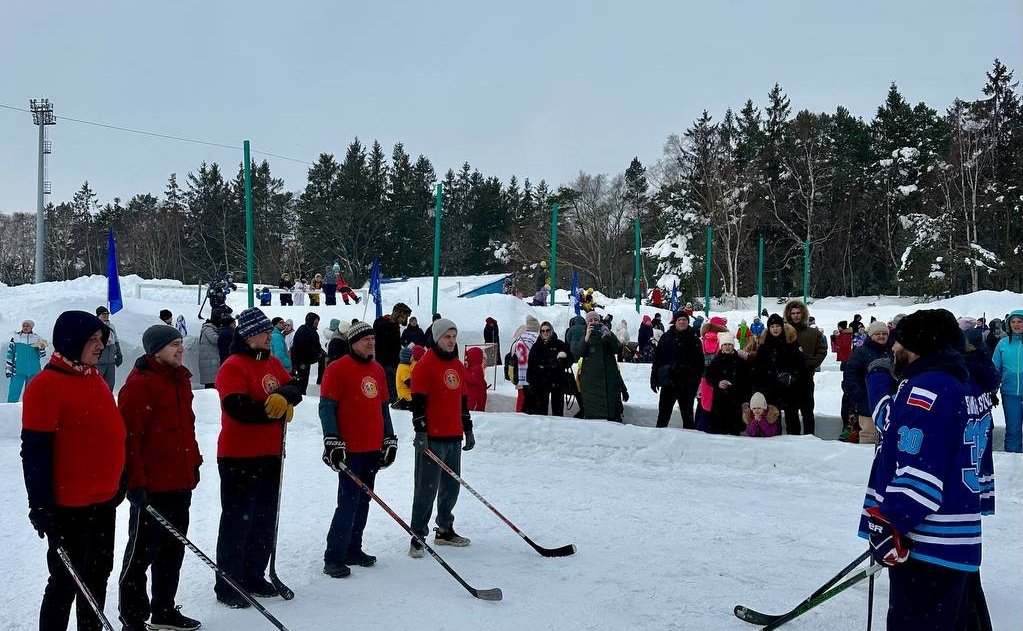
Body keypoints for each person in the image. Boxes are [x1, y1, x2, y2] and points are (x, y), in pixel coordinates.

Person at [858, 309, 980, 630]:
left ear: (914, 345)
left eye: (897, 341)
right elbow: (900, 428)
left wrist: (891, 521)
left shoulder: (926, 390)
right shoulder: (954, 384)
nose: (892, 349)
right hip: (956, 541)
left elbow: (919, 469)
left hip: (929, 541)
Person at [22, 310, 126, 631]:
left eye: (101, 340)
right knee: (66, 582)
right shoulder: (46, 385)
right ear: (71, 341)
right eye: (92, 340)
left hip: (103, 500)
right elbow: (35, 452)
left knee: (97, 577)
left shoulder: (92, 377)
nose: (99, 346)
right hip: (69, 506)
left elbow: (108, 435)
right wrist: (40, 504)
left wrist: (120, 479)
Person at [214, 308, 302, 608]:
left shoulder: (272, 362)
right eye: (265, 332)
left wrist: (286, 397)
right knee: (237, 519)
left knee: (264, 517)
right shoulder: (232, 366)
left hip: (270, 453)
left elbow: (294, 384)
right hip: (239, 455)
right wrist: (271, 410)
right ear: (250, 335)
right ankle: (229, 583)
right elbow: (237, 407)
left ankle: (254, 574)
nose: (270, 336)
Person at [117, 325, 202, 631]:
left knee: (172, 550)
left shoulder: (180, 380)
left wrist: (194, 462)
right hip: (151, 487)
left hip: (180, 481)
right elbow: (129, 439)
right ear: (156, 350)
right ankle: (133, 618)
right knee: (141, 554)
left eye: (180, 343)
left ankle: (164, 610)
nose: (180, 349)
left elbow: (186, 429)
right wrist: (135, 483)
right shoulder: (139, 385)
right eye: (173, 345)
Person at [318, 321, 396, 578]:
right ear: (353, 342)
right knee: (348, 502)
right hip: (349, 448)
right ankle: (334, 556)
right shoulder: (337, 369)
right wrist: (331, 439)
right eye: (366, 340)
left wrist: (389, 438)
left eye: (373, 339)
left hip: (372, 447)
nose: (371, 343)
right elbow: (327, 406)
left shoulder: (376, 369)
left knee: (364, 500)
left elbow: (383, 406)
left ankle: (354, 547)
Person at [408, 319, 475, 558]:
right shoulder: (425, 365)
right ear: (437, 338)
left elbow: (463, 402)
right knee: (426, 489)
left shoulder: (457, 366)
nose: (451, 341)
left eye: (454, 336)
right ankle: (417, 535)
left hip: (453, 436)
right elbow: (418, 403)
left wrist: (468, 429)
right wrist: (421, 432)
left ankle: (445, 529)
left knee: (451, 487)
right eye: (447, 336)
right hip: (432, 438)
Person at [751, 314, 805, 435]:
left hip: (789, 388)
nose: (775, 329)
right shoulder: (764, 346)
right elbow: (758, 368)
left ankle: (795, 440)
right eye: (772, 326)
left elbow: (800, 365)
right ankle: (775, 441)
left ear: (782, 327)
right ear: (769, 328)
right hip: (770, 388)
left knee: (792, 417)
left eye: (777, 326)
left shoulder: (791, 344)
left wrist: (791, 376)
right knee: (773, 418)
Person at [572, 310, 628, 422]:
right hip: (591, 383)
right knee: (594, 417)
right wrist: (586, 338)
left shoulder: (607, 333)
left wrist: (609, 335)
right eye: (590, 320)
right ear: (587, 323)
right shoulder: (584, 335)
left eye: (596, 320)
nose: (593, 322)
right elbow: (577, 353)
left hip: (608, 380)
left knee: (612, 414)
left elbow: (617, 349)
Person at [650, 312, 704, 428]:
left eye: (685, 319)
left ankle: (689, 442)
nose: (682, 322)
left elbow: (700, 364)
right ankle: (658, 440)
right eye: (679, 320)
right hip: (668, 383)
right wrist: (654, 377)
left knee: (688, 417)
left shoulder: (694, 340)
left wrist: (695, 382)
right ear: (675, 322)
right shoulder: (666, 337)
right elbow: (657, 360)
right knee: (663, 415)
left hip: (686, 384)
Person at [841, 321, 890, 444]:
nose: (881, 336)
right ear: (871, 335)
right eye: (877, 333)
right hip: (867, 401)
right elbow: (851, 375)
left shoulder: (892, 350)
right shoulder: (860, 352)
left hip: (889, 400)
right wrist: (859, 394)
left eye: (884, 333)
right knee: (869, 435)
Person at [783, 299, 827, 435]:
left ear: (803, 314)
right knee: (791, 412)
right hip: (788, 379)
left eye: (798, 313)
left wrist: (810, 363)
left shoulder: (813, 333)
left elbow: (822, 350)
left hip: (806, 377)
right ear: (788, 315)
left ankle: (809, 438)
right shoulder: (782, 331)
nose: (796, 315)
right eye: (793, 313)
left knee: (807, 411)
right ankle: (792, 437)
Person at [704, 332, 752, 435]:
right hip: (719, 401)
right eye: (725, 344)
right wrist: (718, 383)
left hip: (736, 401)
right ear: (721, 346)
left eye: (729, 344)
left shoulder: (740, 362)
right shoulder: (716, 361)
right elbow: (708, 377)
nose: (727, 347)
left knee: (734, 433)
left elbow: (747, 381)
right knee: (719, 432)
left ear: (733, 346)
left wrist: (737, 386)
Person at [991, 309, 1023, 452]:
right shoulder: (1003, 344)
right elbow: (995, 369)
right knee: (1013, 431)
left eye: (1020, 321)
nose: (1016, 325)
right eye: (1013, 321)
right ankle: (1012, 463)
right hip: (1010, 394)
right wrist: (992, 390)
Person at [526, 321, 573, 416]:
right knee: (540, 412)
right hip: (541, 382)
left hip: (557, 381)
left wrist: (563, 360)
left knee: (558, 411)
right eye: (542, 331)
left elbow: (571, 359)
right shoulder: (536, 347)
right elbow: (531, 366)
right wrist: (531, 382)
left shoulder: (559, 344)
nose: (545, 333)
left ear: (551, 331)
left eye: (547, 330)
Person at [374, 303, 412, 402]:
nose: (403, 321)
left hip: (381, 360)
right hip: (389, 362)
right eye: (403, 318)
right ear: (397, 315)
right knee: (391, 392)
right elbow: (394, 348)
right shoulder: (391, 327)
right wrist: (397, 363)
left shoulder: (381, 322)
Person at [6, 319, 46, 402]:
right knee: (13, 394)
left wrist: (42, 348)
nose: (25, 327)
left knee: (32, 397)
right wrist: (8, 369)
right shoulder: (15, 338)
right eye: (23, 325)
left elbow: (42, 355)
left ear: (31, 327)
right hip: (18, 371)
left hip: (34, 371)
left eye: (27, 326)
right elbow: (10, 354)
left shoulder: (37, 338)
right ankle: (9, 412)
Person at [511, 316, 541, 412]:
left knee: (521, 397)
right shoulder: (537, 338)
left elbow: (512, 354)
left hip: (519, 372)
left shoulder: (519, 339)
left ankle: (519, 415)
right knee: (533, 399)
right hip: (532, 374)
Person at [291, 312, 325, 394]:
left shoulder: (313, 331)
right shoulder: (303, 330)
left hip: (306, 361)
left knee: (304, 380)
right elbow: (305, 346)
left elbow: (317, 345)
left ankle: (303, 393)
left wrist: (322, 352)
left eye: (318, 320)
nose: (317, 322)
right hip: (300, 360)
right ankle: (301, 396)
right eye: (315, 320)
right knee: (302, 380)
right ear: (310, 320)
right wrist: (317, 354)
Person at [96, 306, 123, 390]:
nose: (106, 316)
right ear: (98, 315)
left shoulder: (111, 326)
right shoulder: (96, 326)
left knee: (110, 384)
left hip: (110, 360)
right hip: (99, 361)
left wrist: (118, 353)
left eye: (107, 314)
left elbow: (116, 340)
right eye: (103, 314)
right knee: (98, 384)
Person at [197, 317, 221, 388]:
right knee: (211, 386)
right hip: (209, 361)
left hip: (209, 361)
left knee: (211, 385)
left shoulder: (208, 328)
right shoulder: (208, 329)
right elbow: (215, 339)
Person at [465, 346, 488, 412]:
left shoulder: (476, 368)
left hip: (475, 396)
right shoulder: (474, 367)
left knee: (474, 412)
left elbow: (472, 379)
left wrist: (464, 370)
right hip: (474, 395)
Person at [393, 346, 415, 410]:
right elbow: (409, 383)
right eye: (412, 356)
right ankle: (402, 403)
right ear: (407, 357)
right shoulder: (404, 368)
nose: (413, 358)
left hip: (408, 395)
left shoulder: (406, 366)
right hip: (406, 396)